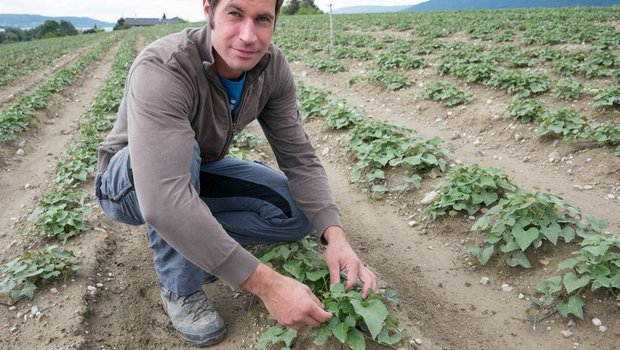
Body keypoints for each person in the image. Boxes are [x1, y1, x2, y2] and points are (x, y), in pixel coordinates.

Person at [95, 0, 376, 347]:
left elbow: (300, 158)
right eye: (235, 14)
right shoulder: (166, 66)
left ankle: (197, 240)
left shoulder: (271, 69)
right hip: (129, 183)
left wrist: (336, 237)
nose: (248, 35)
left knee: (295, 213)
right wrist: (267, 285)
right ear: (209, 10)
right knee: (179, 178)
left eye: (262, 19)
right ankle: (180, 288)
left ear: (275, 22)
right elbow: (164, 200)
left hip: (196, 170)